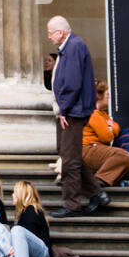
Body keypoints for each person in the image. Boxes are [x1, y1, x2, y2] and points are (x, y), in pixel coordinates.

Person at [47, 16, 107, 217]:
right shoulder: (71, 46)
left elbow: (72, 82)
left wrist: (64, 109)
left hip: (72, 111)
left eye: (50, 32)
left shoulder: (73, 47)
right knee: (67, 153)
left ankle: (72, 204)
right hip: (70, 110)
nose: (49, 37)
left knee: (70, 159)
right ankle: (96, 194)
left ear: (60, 32)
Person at [83, 81, 129, 187]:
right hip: (88, 149)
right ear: (99, 96)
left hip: (97, 149)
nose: (109, 97)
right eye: (107, 94)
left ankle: (100, 183)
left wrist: (110, 128)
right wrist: (110, 128)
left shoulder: (103, 114)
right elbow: (107, 137)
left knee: (127, 161)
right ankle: (95, 183)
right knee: (122, 155)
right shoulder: (93, 113)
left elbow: (116, 127)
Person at [4, 179, 52, 257]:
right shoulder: (24, 212)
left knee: (17, 230)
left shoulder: (31, 211)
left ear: (21, 195)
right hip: (36, 252)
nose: (12, 195)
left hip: (42, 253)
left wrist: (15, 249)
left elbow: (27, 237)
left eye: (14, 193)